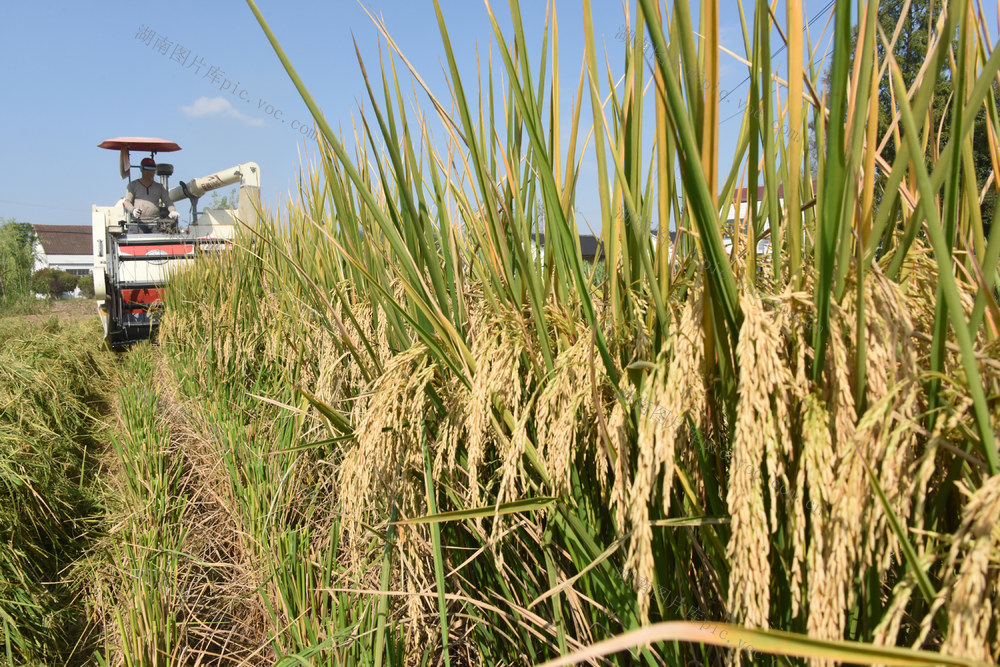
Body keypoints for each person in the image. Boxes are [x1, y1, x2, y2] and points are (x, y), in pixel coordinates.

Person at [123, 157, 179, 232]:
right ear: (142, 170)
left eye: (152, 170)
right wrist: (133, 210)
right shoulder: (133, 185)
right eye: (148, 170)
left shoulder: (159, 187)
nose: (150, 173)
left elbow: (168, 201)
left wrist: (172, 211)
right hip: (137, 224)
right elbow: (127, 202)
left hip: (155, 224)